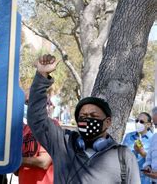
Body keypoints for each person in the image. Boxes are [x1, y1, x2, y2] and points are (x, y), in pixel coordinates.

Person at [28, 54, 140, 183]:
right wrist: (42, 75)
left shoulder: (124, 156)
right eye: (83, 116)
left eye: (93, 116)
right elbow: (36, 118)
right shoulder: (63, 143)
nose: (87, 120)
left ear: (108, 122)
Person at [122, 112, 154, 183]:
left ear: (148, 125)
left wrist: (142, 153)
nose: (138, 123)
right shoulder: (128, 136)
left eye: (141, 121)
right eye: (137, 121)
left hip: (143, 180)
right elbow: (121, 155)